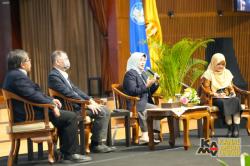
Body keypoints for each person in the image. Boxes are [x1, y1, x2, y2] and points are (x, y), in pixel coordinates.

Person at [3, 49, 92, 163]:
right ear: (22, 64)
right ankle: (70, 154)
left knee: (66, 116)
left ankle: (65, 152)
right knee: (71, 116)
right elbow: (32, 95)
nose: (30, 62)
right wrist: (51, 105)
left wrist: (51, 100)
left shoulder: (13, 75)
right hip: (30, 116)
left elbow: (35, 94)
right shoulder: (17, 77)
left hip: (27, 113)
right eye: (29, 60)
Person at [48, 50, 115, 153]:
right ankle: (96, 144)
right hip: (69, 109)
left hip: (75, 105)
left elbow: (76, 90)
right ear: (57, 62)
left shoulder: (62, 75)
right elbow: (68, 94)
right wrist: (86, 105)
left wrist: (90, 100)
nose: (68, 61)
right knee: (102, 112)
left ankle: (97, 142)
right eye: (65, 59)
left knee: (105, 109)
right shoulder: (54, 76)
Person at [123, 52, 161, 144]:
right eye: (140, 60)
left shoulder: (143, 73)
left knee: (157, 110)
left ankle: (153, 134)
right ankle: (145, 135)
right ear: (134, 61)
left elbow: (148, 91)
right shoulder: (130, 74)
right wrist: (147, 85)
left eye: (144, 60)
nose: (143, 62)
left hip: (144, 101)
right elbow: (133, 91)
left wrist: (154, 83)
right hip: (134, 103)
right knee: (145, 109)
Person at [201, 53, 242, 137]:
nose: (221, 66)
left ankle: (236, 128)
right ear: (213, 63)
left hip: (227, 96)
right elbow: (207, 89)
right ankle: (230, 127)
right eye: (218, 64)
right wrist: (215, 94)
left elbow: (230, 86)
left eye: (223, 64)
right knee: (223, 103)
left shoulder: (227, 72)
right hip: (215, 97)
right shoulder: (209, 73)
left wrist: (232, 93)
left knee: (236, 100)